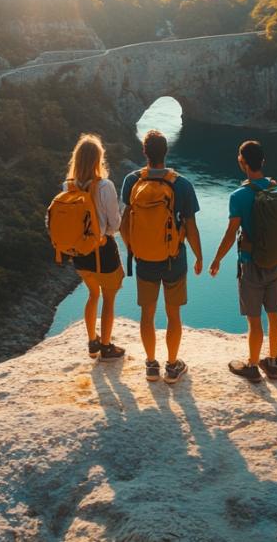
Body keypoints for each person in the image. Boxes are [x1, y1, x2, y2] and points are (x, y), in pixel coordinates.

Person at [120, 129, 203, 384]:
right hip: (173, 259)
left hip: (144, 259)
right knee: (173, 313)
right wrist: (199, 257)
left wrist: (134, 247)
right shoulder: (182, 184)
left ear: (144, 152)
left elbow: (124, 224)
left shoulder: (132, 181)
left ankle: (151, 365)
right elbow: (190, 227)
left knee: (147, 313)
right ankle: (172, 366)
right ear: (166, 152)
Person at [209, 140, 277, 383]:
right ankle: (272, 362)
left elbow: (231, 234)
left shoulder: (238, 195)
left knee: (254, 320)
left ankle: (252, 366)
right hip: (275, 262)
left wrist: (217, 259)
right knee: (273, 313)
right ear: (262, 161)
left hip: (251, 264)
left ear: (242, 162)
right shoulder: (275, 188)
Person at [62, 134, 125, 362]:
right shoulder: (105, 186)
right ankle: (107, 347)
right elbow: (114, 225)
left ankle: (92, 342)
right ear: (99, 159)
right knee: (109, 299)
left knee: (92, 294)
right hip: (103, 251)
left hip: (79, 254)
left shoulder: (67, 186)